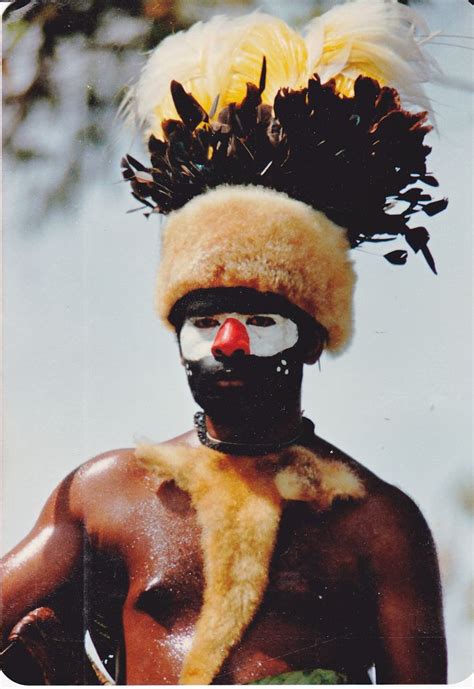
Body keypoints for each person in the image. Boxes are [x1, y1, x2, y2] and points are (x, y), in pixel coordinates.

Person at [1, 1, 448, 684]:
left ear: (311, 338)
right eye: (205, 322)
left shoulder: (377, 524)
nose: (230, 343)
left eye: (261, 322)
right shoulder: (110, 492)